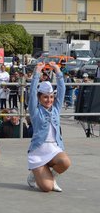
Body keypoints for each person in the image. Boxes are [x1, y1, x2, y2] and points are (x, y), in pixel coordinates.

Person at [26, 61, 71, 192]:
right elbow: (32, 92)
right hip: (38, 151)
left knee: (66, 162)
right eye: (45, 97)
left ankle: (52, 176)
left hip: (54, 149)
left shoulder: (56, 109)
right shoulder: (35, 111)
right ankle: (34, 175)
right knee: (46, 188)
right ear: (39, 98)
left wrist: (57, 71)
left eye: (51, 97)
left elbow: (62, 90)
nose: (49, 100)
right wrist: (36, 73)